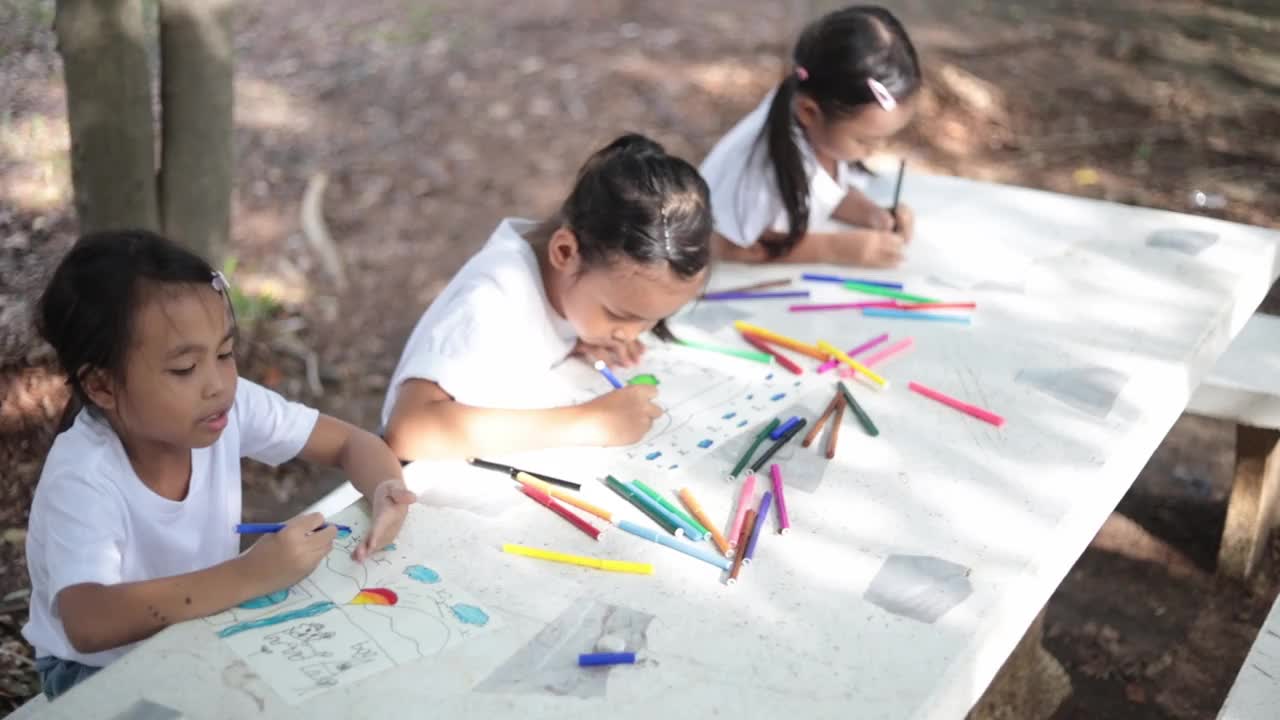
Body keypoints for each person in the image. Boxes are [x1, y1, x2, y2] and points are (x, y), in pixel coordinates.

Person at [23, 230, 417, 699]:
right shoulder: (84, 476)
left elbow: (350, 443)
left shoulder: (226, 409)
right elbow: (88, 620)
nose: (217, 384)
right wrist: (252, 575)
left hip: (199, 626)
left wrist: (385, 486)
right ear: (103, 386)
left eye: (225, 354)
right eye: (184, 369)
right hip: (94, 673)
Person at [382, 133, 713, 462]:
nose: (630, 333)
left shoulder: (573, 285)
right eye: (619, 314)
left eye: (651, 319)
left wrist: (577, 341)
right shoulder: (490, 300)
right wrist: (590, 423)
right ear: (565, 251)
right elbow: (407, 431)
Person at [700, 5, 922, 267]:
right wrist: (834, 248)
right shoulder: (764, 171)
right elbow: (729, 245)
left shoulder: (820, 125)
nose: (875, 150)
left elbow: (822, 191)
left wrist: (872, 214)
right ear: (808, 111)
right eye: (865, 141)